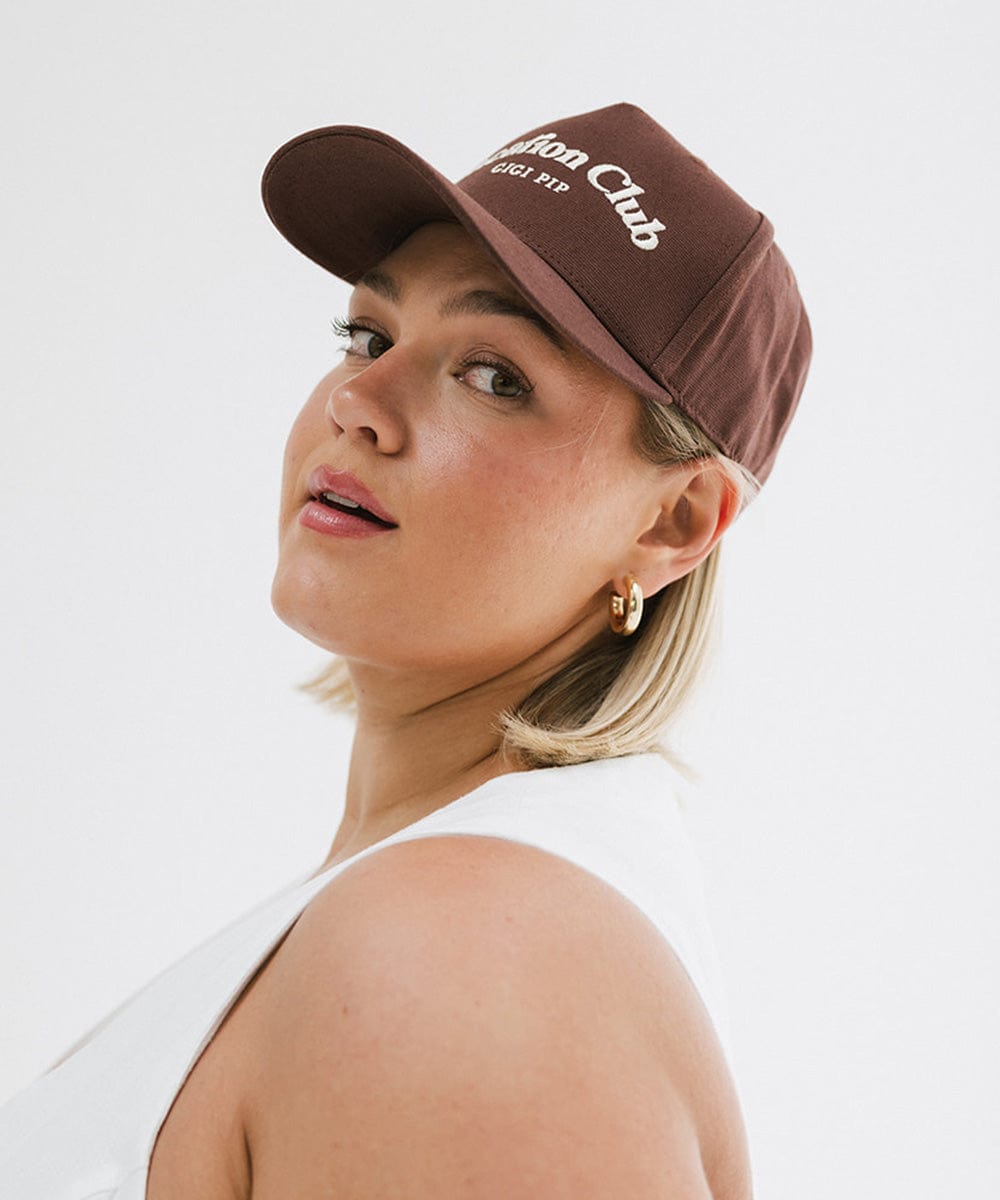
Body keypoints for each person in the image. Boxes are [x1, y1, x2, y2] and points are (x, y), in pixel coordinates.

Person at [0, 103, 811, 1198]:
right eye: (368, 335)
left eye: (494, 375)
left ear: (671, 524)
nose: (357, 401)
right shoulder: (443, 909)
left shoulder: (461, 954)